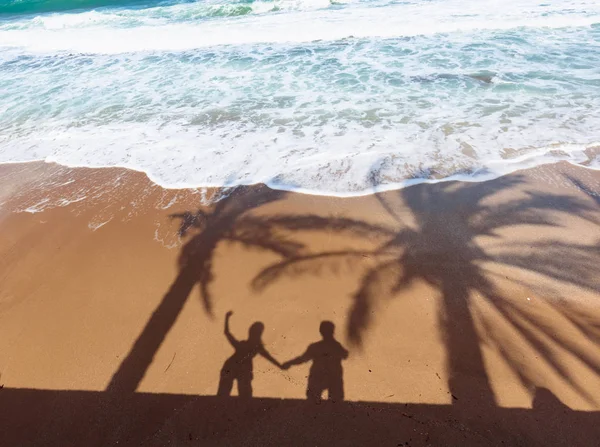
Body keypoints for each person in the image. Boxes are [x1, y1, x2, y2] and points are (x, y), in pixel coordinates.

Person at [217, 311, 282, 398]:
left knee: (245, 394)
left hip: (243, 369)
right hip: (231, 367)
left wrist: (280, 365)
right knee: (224, 394)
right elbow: (227, 333)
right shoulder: (244, 345)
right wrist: (227, 318)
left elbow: (269, 357)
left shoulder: (257, 347)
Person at [283, 321, 348, 402]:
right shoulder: (335, 346)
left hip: (324, 376)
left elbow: (302, 359)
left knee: (324, 401)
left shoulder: (320, 347)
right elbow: (345, 355)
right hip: (325, 376)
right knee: (332, 401)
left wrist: (289, 363)